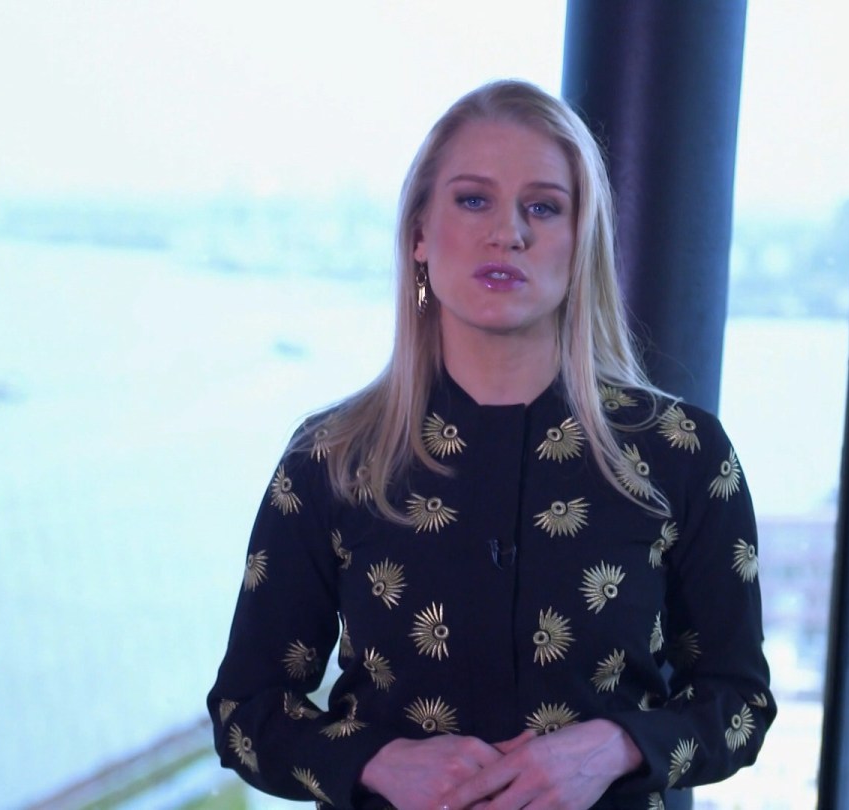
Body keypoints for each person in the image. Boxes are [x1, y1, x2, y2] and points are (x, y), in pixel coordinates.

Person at [206, 79, 772, 810]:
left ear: (581, 240)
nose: (508, 232)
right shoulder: (333, 458)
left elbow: (739, 703)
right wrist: (378, 762)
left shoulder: (683, 452)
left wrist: (614, 747)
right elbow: (245, 713)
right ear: (419, 233)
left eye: (544, 206)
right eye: (474, 200)